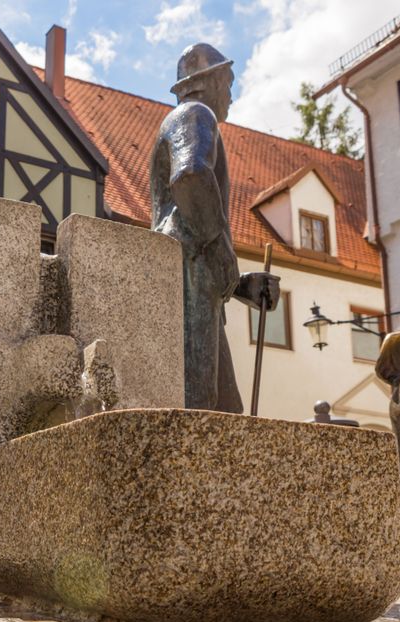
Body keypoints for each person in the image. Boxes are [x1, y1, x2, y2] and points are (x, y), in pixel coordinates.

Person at [150, 43, 280, 412]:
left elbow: (188, 226)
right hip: (189, 282)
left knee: (225, 414)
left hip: (195, 282)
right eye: (229, 83)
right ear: (206, 82)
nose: (232, 96)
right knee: (202, 412)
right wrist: (221, 249)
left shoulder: (187, 117)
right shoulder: (195, 113)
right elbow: (190, 175)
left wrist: (239, 284)